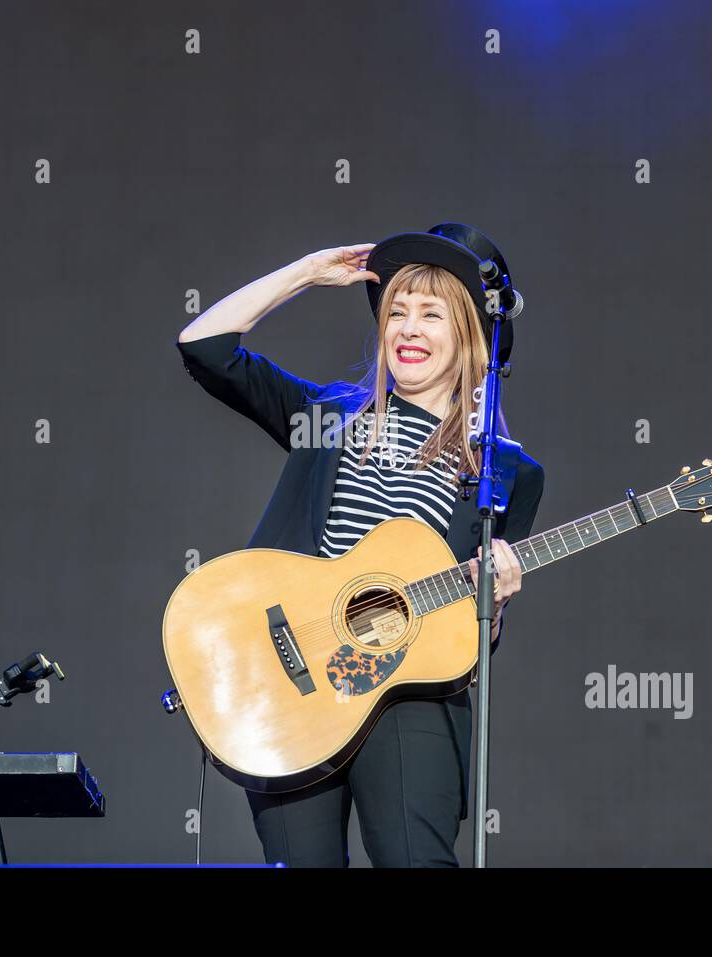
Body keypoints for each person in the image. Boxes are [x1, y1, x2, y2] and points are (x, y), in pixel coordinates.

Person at [175, 226, 545, 867]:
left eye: (431, 314)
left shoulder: (503, 472)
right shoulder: (329, 416)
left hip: (410, 693)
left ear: (471, 337)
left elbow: (470, 637)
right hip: (294, 684)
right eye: (396, 311)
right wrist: (304, 273)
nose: (407, 328)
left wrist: (500, 601)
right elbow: (203, 348)